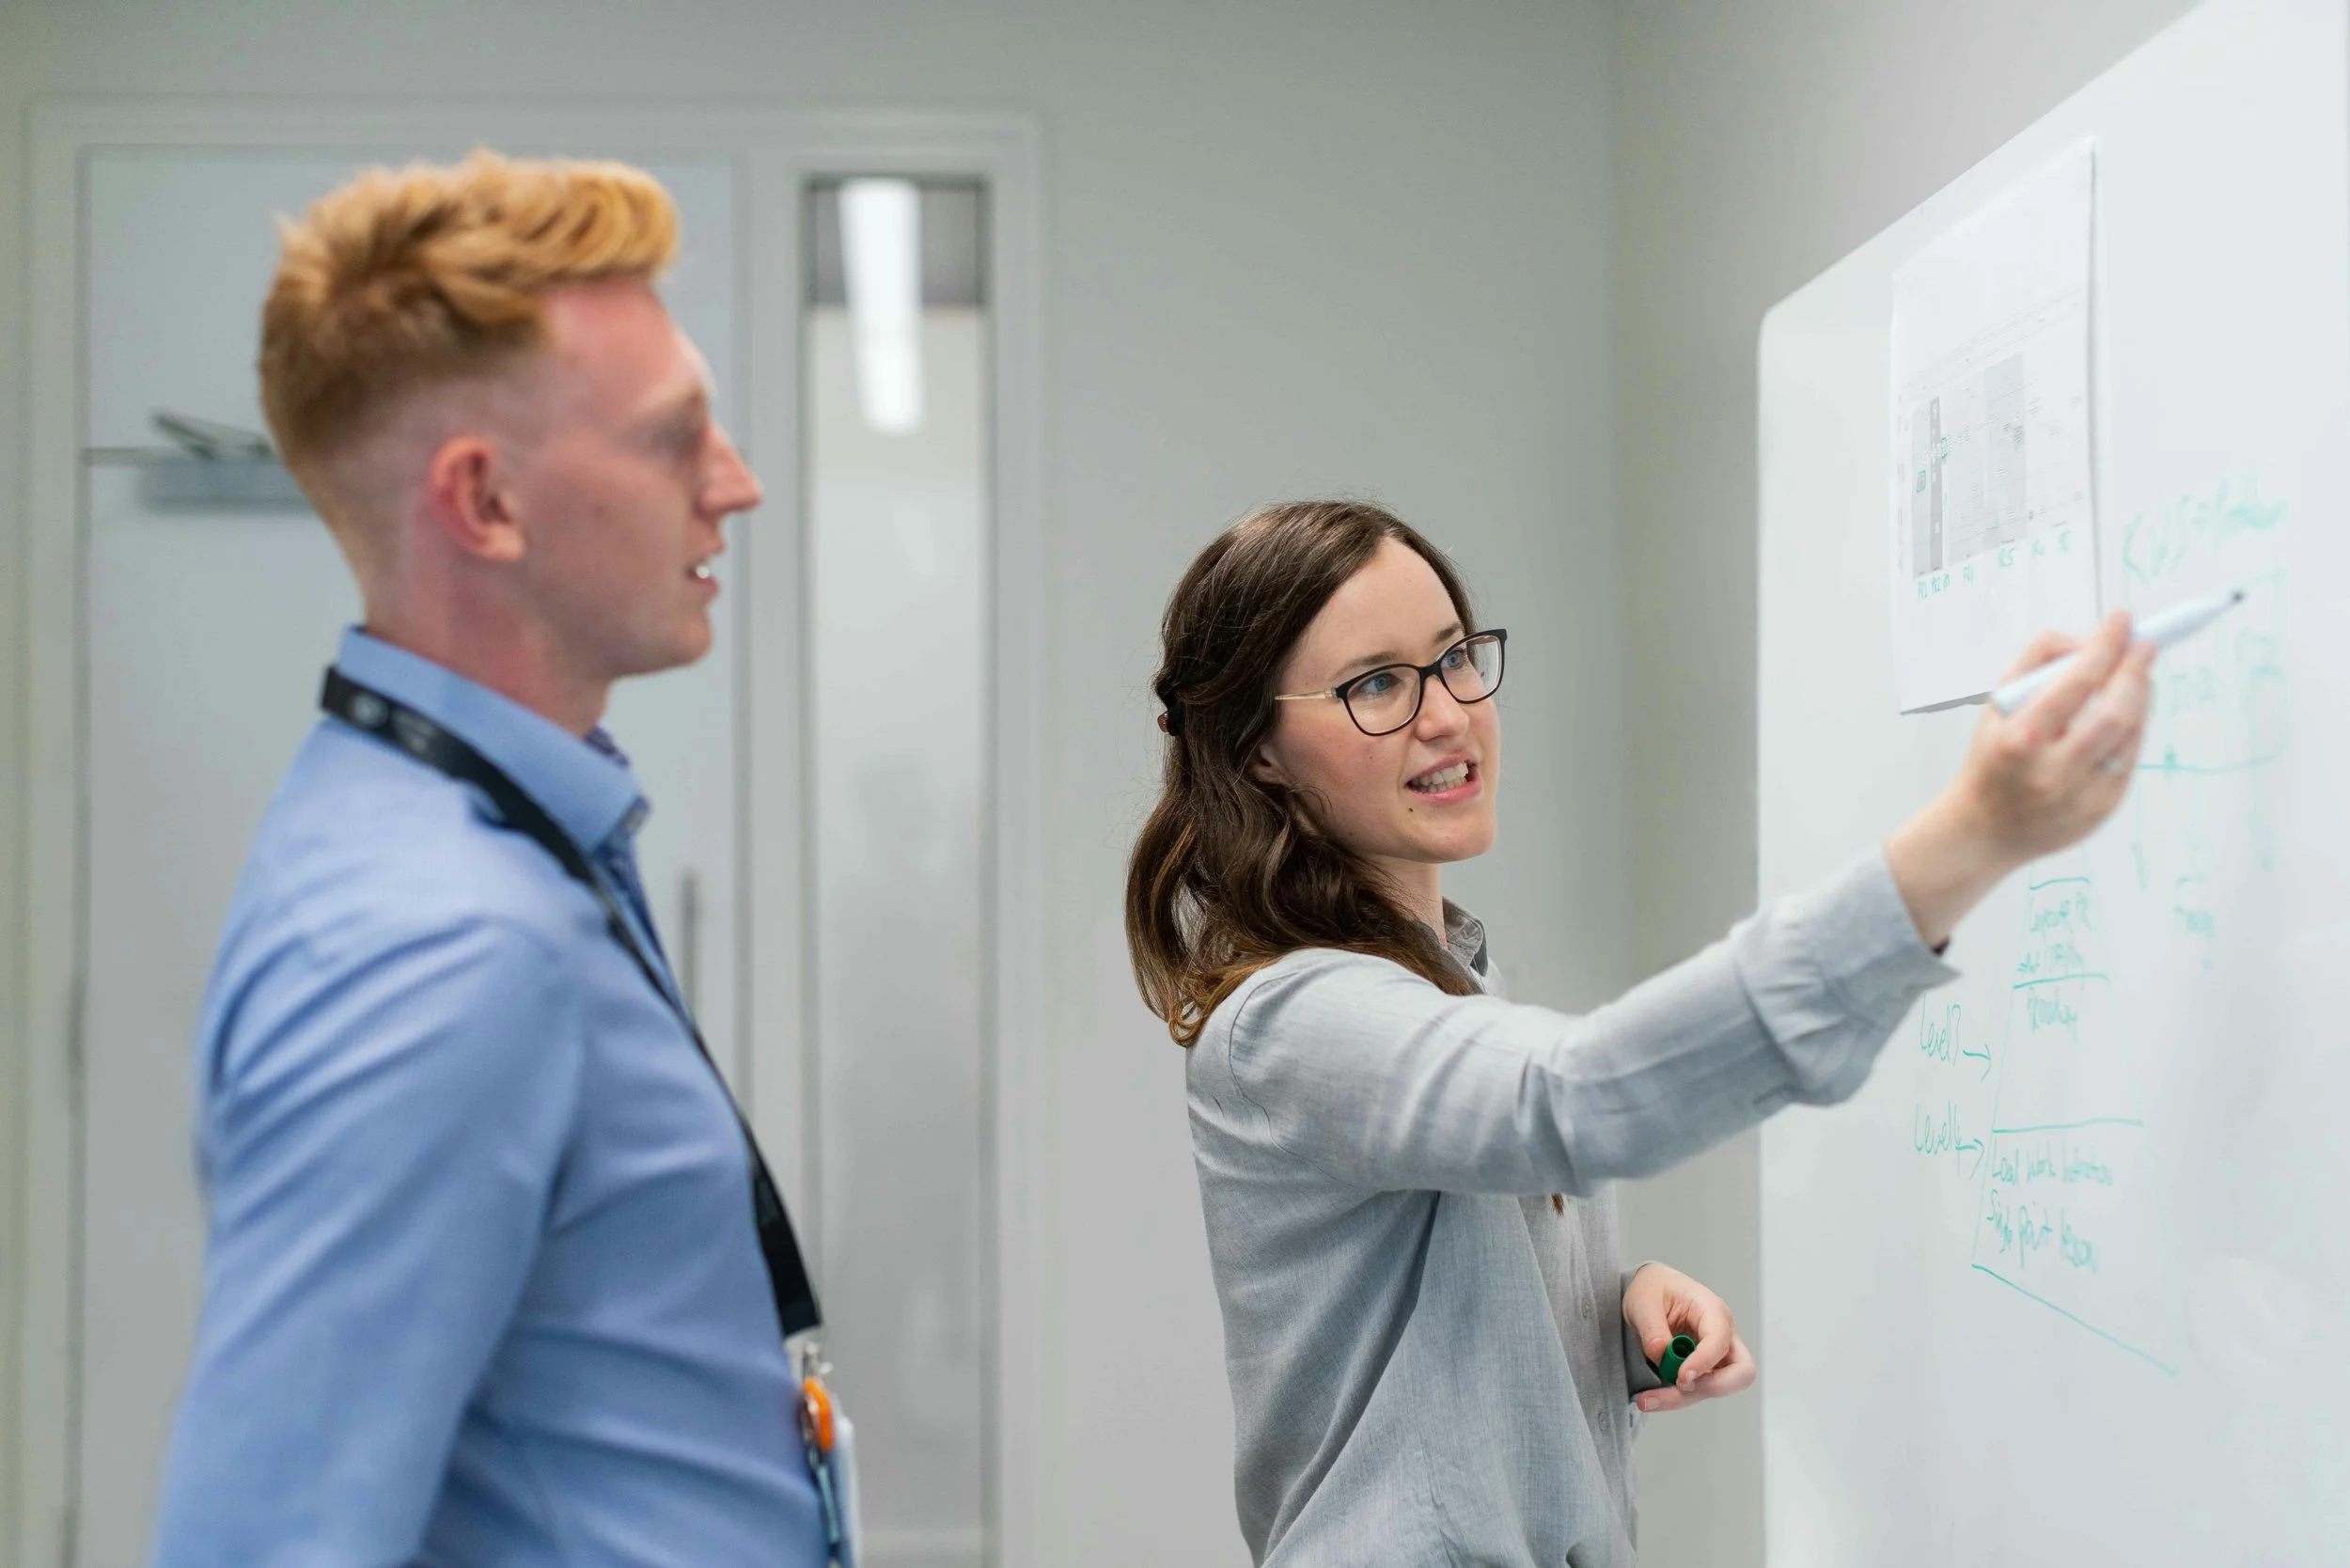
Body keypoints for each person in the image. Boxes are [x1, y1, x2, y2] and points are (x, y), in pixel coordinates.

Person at [1124, 500, 2153, 1567]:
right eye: (1375, 684)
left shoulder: (1450, 982)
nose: (1447, 715)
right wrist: (1969, 841)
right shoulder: (1292, 1022)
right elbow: (1571, 1101)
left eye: (1454, 659)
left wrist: (1597, 1313)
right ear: (1259, 755)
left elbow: (1413, 1338)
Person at [152, 153, 838, 1566]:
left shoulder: (477, 834)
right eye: (676, 436)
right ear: (485, 504)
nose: (739, 485)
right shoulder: (440, 945)